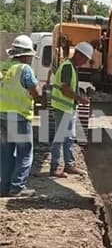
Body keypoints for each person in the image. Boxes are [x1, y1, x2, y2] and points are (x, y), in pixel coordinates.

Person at [0, 35, 41, 197]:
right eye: (30, 56)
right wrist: (41, 94)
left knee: (5, 153)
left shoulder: (3, 67)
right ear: (25, 55)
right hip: (19, 118)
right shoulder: (25, 69)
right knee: (25, 152)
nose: (31, 59)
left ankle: (4, 187)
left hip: (1, 117)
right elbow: (36, 93)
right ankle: (17, 187)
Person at [49, 41, 93, 178]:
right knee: (60, 137)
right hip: (62, 108)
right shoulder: (68, 67)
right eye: (85, 59)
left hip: (68, 108)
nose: (85, 62)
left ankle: (69, 165)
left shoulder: (72, 67)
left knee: (68, 138)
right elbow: (65, 89)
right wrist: (80, 98)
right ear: (78, 54)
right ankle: (55, 166)